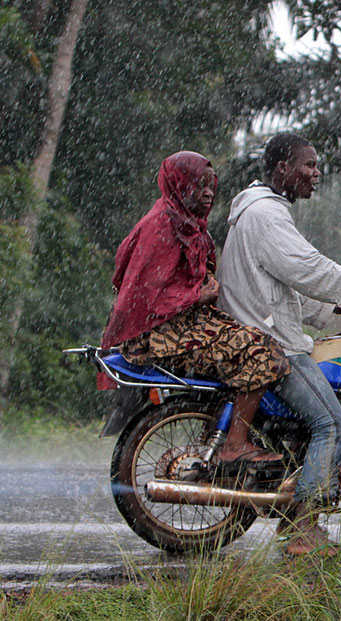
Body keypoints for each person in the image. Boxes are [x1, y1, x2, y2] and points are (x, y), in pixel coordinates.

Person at [218, 133, 341, 555]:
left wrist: (339, 308)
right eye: (308, 164)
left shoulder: (260, 210)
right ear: (283, 168)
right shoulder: (267, 215)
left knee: (324, 413)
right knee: (333, 424)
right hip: (269, 342)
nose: (316, 173)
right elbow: (307, 268)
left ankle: (300, 497)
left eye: (316, 165)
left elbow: (282, 283)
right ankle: (303, 529)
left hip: (261, 328)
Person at [101, 151, 291, 464]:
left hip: (185, 322)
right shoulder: (161, 226)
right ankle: (235, 444)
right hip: (157, 332)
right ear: (179, 184)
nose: (208, 192)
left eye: (210, 185)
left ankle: (217, 433)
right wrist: (197, 297)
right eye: (198, 185)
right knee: (260, 350)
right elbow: (143, 296)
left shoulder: (188, 224)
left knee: (256, 337)